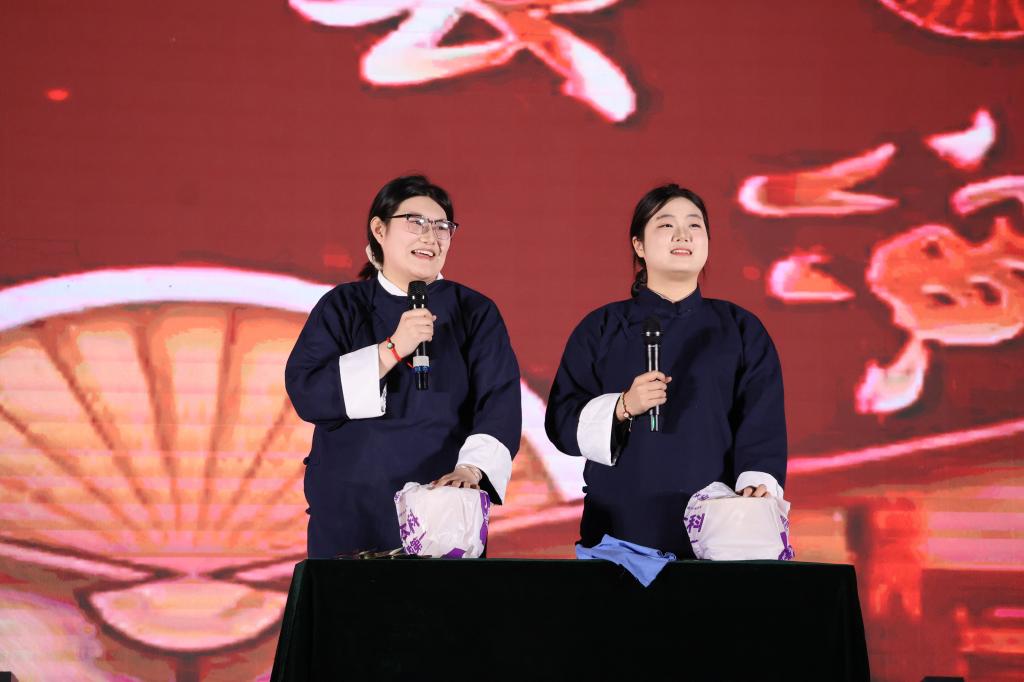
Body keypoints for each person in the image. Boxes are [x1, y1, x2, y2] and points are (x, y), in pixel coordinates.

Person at [544, 184, 787, 557]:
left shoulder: (740, 329)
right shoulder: (602, 328)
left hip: (718, 536)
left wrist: (756, 484)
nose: (682, 235)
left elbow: (762, 423)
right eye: (666, 225)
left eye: (694, 225)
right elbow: (561, 424)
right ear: (638, 245)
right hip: (619, 534)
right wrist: (623, 406)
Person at [286, 175, 521, 558]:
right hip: (350, 514)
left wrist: (471, 471)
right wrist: (390, 351)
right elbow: (308, 392)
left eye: (442, 226)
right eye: (416, 222)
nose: (431, 236)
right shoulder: (343, 306)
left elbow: (500, 404)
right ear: (379, 229)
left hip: (441, 514)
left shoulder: (475, 311)